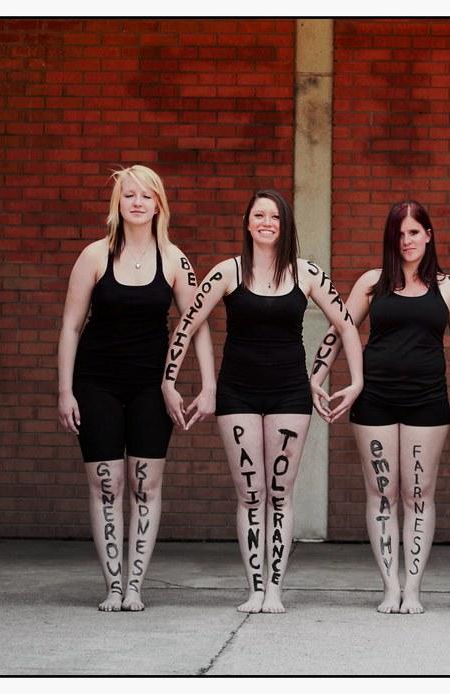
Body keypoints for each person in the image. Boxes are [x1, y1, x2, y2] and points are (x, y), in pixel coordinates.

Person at [161, 189, 363, 614]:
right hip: (238, 393)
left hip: (290, 393)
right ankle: (255, 587)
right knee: (251, 494)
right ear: (247, 222)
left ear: (284, 224)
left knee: (280, 493)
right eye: (258, 215)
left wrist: (353, 381)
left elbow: (346, 325)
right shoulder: (227, 272)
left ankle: (274, 589)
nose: (266, 222)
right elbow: (187, 324)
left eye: (274, 216)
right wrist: (171, 381)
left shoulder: (306, 274)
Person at [311, 200, 450, 614]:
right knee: (381, 493)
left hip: (427, 400)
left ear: (429, 235)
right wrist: (317, 376)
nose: (407, 240)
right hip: (374, 397)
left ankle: (412, 589)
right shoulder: (371, 283)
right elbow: (340, 331)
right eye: (399, 233)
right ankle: (389, 587)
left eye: (414, 232)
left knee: (417, 494)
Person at [57, 165, 216, 611]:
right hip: (96, 383)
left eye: (147, 196)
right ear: (118, 204)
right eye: (129, 196)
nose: (138, 203)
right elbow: (70, 328)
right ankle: (112, 585)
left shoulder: (175, 259)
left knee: (145, 485)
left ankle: (135, 587)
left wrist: (208, 385)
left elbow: (196, 325)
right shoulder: (94, 256)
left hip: (153, 385)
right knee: (106, 484)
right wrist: (65, 390)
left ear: (159, 204)